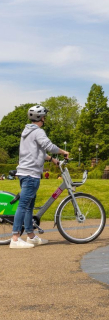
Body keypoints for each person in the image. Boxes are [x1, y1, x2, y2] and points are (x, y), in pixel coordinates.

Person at [10, 105, 69, 249]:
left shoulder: (27, 132)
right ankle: (15, 238)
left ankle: (31, 236)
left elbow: (38, 152)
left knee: (29, 206)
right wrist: (62, 152)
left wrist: (51, 160)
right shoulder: (38, 132)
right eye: (44, 117)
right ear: (41, 118)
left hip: (26, 173)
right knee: (24, 205)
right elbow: (49, 146)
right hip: (31, 174)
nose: (45, 119)